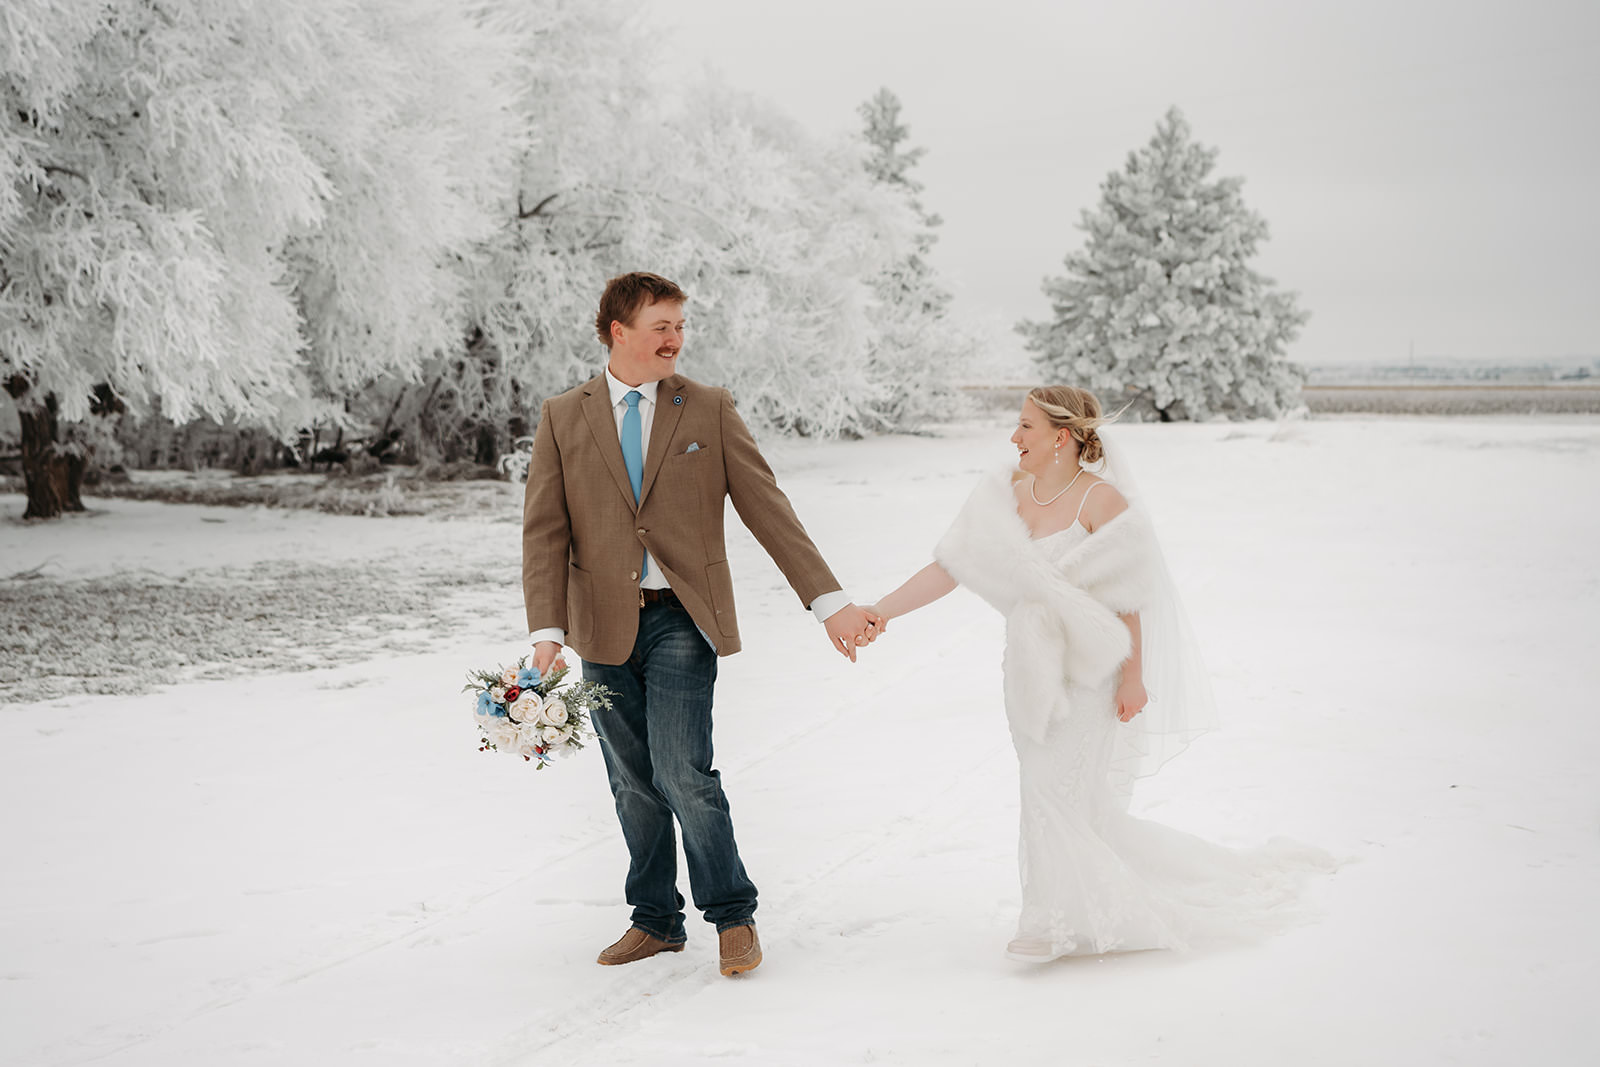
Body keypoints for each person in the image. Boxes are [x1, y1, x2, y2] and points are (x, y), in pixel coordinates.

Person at [867, 385, 1331, 962]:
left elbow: (1130, 598)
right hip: (1029, 671)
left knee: (1049, 791)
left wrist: (1134, 677)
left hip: (1091, 674)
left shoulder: (1102, 501)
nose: (1013, 437)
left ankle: (1047, 923)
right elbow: (949, 566)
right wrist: (880, 611)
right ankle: (1080, 908)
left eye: (1025, 427)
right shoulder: (1005, 493)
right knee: (1057, 794)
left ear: (1061, 436)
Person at [521, 272, 882, 977]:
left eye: (681, 326)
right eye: (661, 326)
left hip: (684, 618)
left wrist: (828, 601)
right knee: (631, 780)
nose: (675, 340)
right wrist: (548, 633)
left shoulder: (707, 409)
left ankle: (733, 915)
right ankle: (655, 919)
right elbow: (544, 533)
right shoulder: (564, 415)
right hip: (601, 627)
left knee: (684, 771)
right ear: (617, 331)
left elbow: (766, 507)